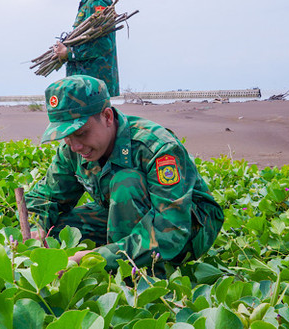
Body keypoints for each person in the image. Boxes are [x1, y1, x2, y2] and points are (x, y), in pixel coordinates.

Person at [25, 76, 224, 271]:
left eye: (81, 133)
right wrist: (37, 227)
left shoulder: (156, 147)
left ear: (107, 117)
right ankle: (118, 253)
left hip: (188, 226)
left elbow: (171, 230)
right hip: (124, 216)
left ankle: (140, 274)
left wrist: (97, 257)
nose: (75, 145)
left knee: (126, 183)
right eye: (66, 137)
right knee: (56, 231)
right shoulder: (72, 149)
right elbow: (44, 197)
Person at [51, 0, 119, 97]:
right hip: (86, 87)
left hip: (93, 89)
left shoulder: (98, 2)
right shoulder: (88, 2)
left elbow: (103, 44)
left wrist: (69, 53)